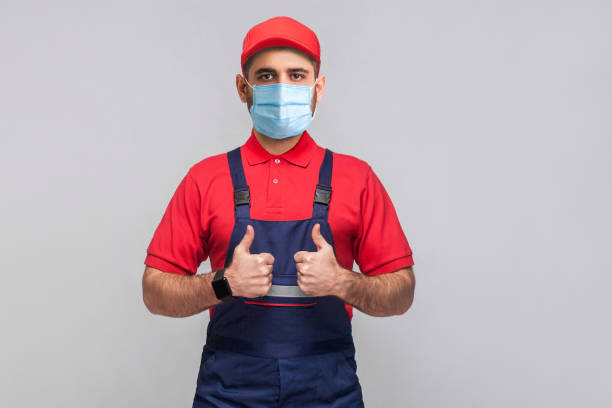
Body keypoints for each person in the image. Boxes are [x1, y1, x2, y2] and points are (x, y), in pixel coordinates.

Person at [142, 15, 416, 408]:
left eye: (297, 75)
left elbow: (401, 293)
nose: (282, 87)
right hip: (230, 390)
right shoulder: (205, 178)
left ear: (318, 89)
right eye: (267, 76)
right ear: (243, 88)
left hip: (328, 389)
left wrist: (343, 282)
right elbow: (155, 292)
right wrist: (224, 284)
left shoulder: (357, 178)